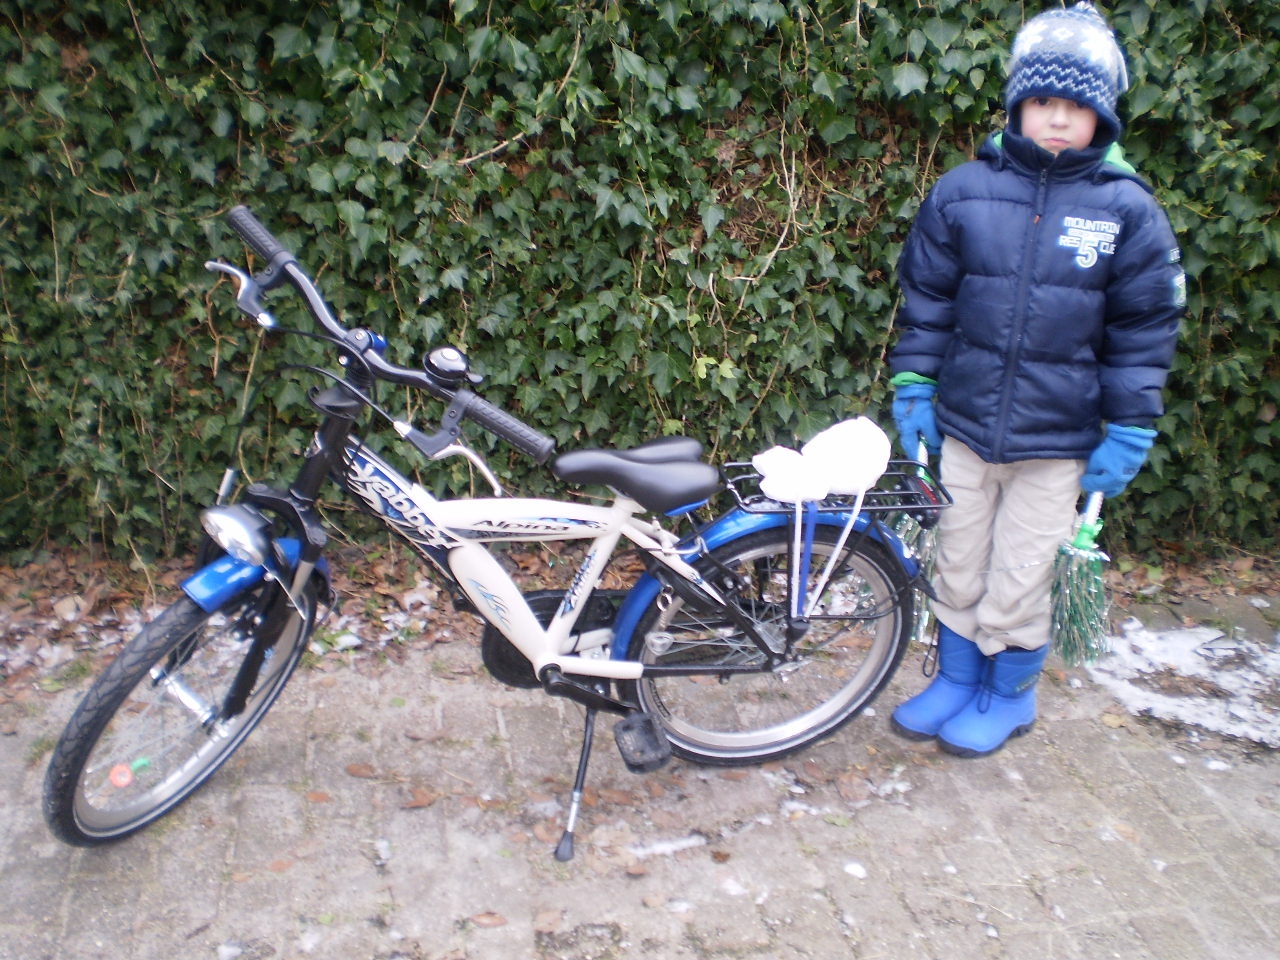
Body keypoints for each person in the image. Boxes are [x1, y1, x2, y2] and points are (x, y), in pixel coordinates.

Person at [887, 1, 1185, 757]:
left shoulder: (1127, 211)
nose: (1058, 118)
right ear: (1018, 104)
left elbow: (1143, 328)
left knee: (1022, 574)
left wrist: (1130, 426)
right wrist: (916, 384)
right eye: (1043, 101)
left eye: (1077, 106)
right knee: (958, 560)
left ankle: (1009, 695)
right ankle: (958, 679)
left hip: (1057, 443)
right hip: (964, 427)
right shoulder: (963, 191)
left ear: (1101, 118)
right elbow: (927, 300)